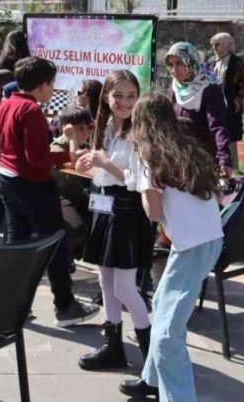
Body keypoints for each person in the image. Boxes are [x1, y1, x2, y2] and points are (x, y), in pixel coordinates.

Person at [118, 91, 224, 401]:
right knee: (163, 302)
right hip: (207, 239)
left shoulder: (148, 155)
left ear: (140, 121)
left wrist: (141, 187)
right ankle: (151, 379)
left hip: (192, 246)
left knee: (166, 336)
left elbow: (152, 213)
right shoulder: (185, 147)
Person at [0, 57, 98, 328]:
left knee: (16, 242)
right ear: (44, 85)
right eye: (52, 84)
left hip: (6, 179)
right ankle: (65, 306)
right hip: (32, 185)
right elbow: (36, 159)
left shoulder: (4, 104)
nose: (53, 89)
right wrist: (65, 160)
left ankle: (9, 306)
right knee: (55, 243)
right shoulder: (31, 111)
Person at [75, 70, 153, 370]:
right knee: (104, 279)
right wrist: (90, 164)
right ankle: (112, 347)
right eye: (118, 95)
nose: (125, 102)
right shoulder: (106, 126)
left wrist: (103, 162)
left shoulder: (140, 131)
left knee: (124, 288)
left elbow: (137, 180)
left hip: (128, 210)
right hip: (104, 205)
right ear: (106, 96)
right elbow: (104, 172)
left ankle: (151, 358)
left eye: (131, 96)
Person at [164, 42, 233, 176]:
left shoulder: (209, 89)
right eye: (171, 65)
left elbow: (218, 126)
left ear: (191, 62)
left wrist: (224, 158)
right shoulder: (174, 89)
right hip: (177, 158)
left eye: (179, 63)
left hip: (203, 159)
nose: (174, 70)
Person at [49, 106, 94, 260]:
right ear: (66, 129)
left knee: (100, 220)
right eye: (80, 128)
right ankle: (55, 257)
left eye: (88, 128)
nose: (86, 132)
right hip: (57, 196)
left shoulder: (84, 147)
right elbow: (75, 163)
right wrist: (73, 139)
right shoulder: (56, 148)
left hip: (77, 195)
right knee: (77, 229)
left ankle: (72, 255)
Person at [209, 32, 244, 169]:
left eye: (217, 44)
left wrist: (239, 98)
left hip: (230, 106)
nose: (214, 48)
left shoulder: (236, 63)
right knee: (213, 133)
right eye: (213, 45)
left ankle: (232, 169)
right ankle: (214, 167)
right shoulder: (211, 62)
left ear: (226, 45)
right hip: (213, 105)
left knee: (229, 136)